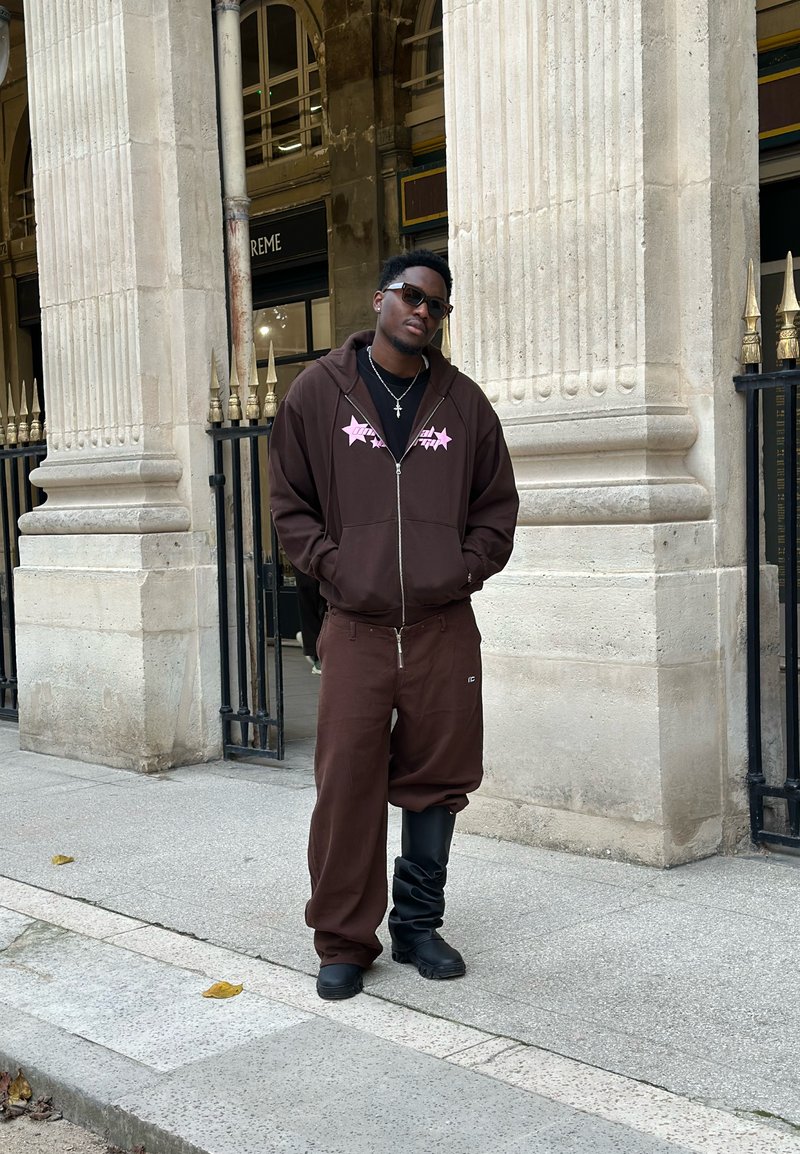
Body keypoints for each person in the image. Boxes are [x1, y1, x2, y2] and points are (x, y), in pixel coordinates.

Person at [269, 249, 519, 1000]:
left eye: (436, 305)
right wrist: (340, 570)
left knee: (437, 782)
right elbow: (289, 507)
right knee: (346, 781)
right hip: (356, 627)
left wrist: (457, 569)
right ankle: (345, 938)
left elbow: (496, 512)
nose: (422, 311)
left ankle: (417, 925)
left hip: (443, 627)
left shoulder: (464, 404)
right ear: (380, 298)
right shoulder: (318, 394)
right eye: (411, 296)